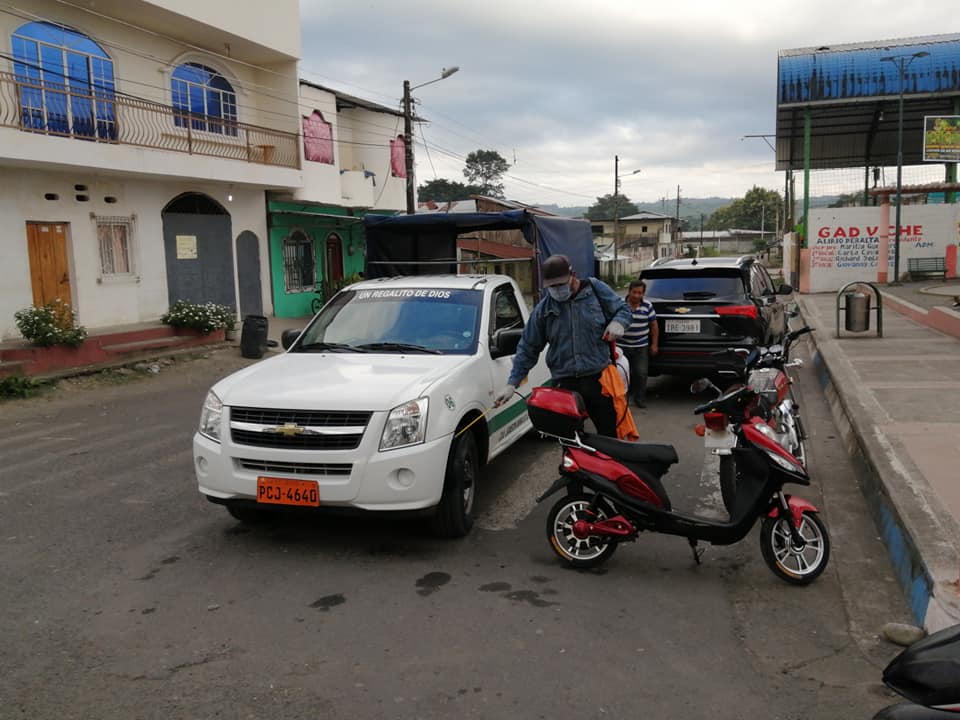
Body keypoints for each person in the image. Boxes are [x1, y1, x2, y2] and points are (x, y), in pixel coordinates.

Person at [494, 254, 632, 437]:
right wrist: (512, 384)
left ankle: (607, 455)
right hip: (565, 383)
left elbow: (623, 309)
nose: (557, 290)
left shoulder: (595, 290)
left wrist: (619, 322)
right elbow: (528, 348)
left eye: (560, 284)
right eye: (552, 287)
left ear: (572, 275)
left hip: (598, 379)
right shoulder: (544, 310)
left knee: (609, 435)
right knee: (569, 438)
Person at [619, 279, 659, 408]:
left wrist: (654, 344)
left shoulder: (647, 306)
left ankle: (639, 398)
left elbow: (654, 326)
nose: (636, 295)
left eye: (640, 293)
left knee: (641, 373)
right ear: (629, 291)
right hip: (622, 346)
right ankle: (621, 399)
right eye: (634, 292)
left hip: (641, 346)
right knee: (621, 374)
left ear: (643, 294)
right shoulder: (620, 305)